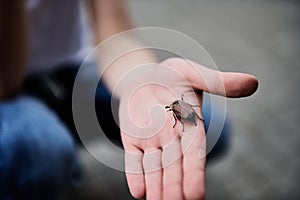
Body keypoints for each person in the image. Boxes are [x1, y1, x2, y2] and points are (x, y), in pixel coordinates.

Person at [0, 1, 258, 200]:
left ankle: (63, 129)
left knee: (210, 130)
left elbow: (117, 36)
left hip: (73, 68)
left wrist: (142, 80)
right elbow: (6, 80)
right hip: (9, 87)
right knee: (39, 151)